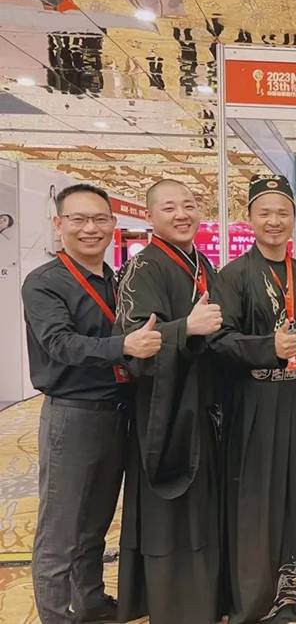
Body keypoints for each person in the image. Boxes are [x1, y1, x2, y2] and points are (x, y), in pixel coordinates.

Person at [22, 183, 162, 624]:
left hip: (116, 413)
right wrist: (125, 346)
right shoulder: (45, 283)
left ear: (113, 224)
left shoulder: (117, 280)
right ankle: (55, 615)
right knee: (60, 530)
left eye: (100, 219)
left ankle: (91, 602)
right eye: (79, 219)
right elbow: (60, 344)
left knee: (96, 523)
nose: (90, 228)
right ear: (58, 224)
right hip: (73, 415)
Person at [210, 175, 296, 623]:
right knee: (259, 500)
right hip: (257, 401)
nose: (274, 221)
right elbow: (218, 340)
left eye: (282, 213)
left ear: (294, 219)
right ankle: (259, 599)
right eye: (264, 212)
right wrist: (269, 347)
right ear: (248, 218)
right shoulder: (233, 275)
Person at [114, 178, 224, 624]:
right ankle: (176, 606)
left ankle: (207, 598)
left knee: (204, 507)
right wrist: (186, 329)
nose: (182, 214)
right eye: (169, 207)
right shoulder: (144, 268)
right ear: (149, 216)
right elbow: (135, 341)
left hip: (203, 405)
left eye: (189, 205)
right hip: (165, 409)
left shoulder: (203, 263)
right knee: (171, 513)